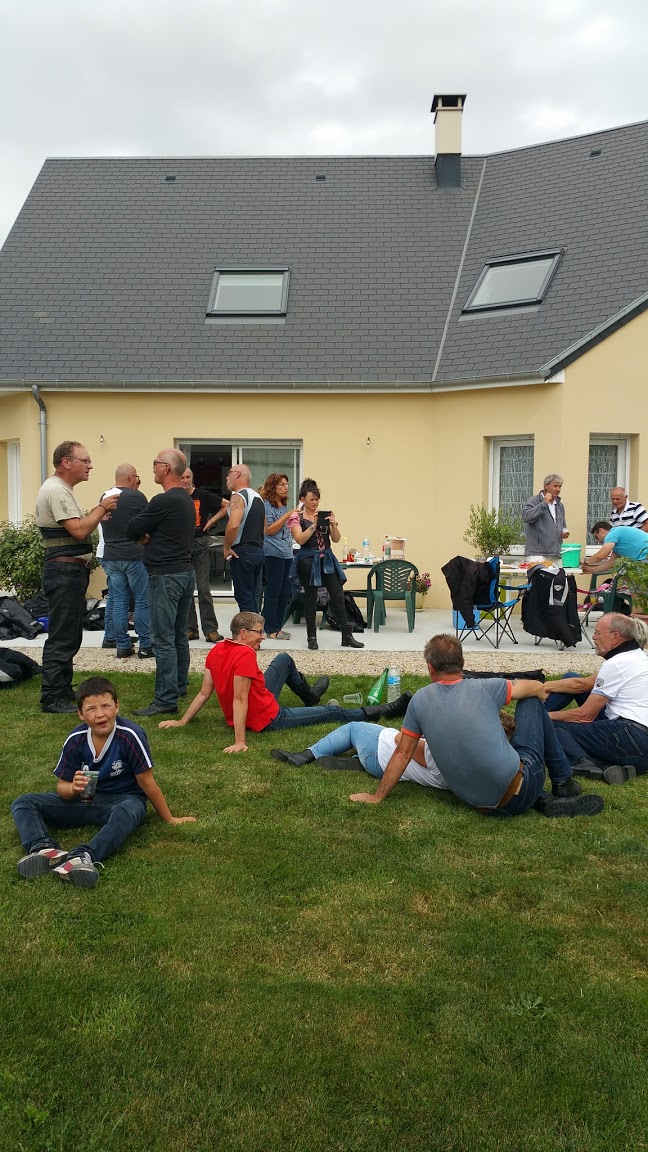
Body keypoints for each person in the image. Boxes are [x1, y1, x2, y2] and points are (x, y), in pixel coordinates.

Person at [349, 634, 603, 819]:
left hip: (480, 806)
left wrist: (377, 796)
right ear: (461, 662)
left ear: (430, 667)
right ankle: (563, 780)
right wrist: (542, 691)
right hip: (521, 789)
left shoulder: (419, 701)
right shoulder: (487, 687)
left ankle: (547, 798)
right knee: (530, 701)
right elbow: (535, 687)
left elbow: (403, 753)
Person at [10, 676, 196, 889]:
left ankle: (83, 857)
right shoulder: (75, 739)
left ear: (116, 706)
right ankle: (43, 850)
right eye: (91, 709)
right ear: (80, 714)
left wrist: (170, 818)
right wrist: (72, 788)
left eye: (106, 706)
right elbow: (62, 788)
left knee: (129, 810)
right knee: (24, 803)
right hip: (84, 800)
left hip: (123, 801)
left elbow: (147, 783)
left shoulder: (131, 735)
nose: (100, 714)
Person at [158, 611, 410, 752]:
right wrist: (239, 741)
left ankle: (310, 694)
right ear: (243, 634)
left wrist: (182, 721)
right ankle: (384, 710)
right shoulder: (245, 654)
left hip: (259, 696)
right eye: (259, 633)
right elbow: (238, 698)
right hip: (268, 717)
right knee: (330, 712)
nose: (263, 638)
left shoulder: (218, 648)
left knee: (283, 658)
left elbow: (204, 693)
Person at [35, 441, 121, 714]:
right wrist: (101, 507)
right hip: (64, 572)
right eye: (84, 460)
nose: (90, 465)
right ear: (66, 462)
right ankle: (52, 696)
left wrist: (97, 514)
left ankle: (62, 688)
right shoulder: (57, 491)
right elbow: (79, 531)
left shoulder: (61, 490)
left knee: (69, 633)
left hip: (68, 571)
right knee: (62, 635)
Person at [126, 449, 196, 716]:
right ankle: (178, 685)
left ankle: (166, 699)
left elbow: (132, 529)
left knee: (162, 638)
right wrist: (152, 535)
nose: (153, 468)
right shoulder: (186, 500)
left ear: (166, 468)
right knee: (178, 635)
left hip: (165, 576)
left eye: (155, 463)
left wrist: (147, 536)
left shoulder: (162, 500)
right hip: (183, 573)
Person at [547, 612, 648, 784]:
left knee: (553, 727)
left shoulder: (616, 663)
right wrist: (542, 687)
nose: (593, 638)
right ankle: (611, 764)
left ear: (615, 637)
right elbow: (581, 685)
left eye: (597, 632)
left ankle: (588, 764)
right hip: (640, 745)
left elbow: (585, 716)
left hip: (628, 738)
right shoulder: (637, 657)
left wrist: (543, 718)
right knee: (572, 680)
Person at [288, 478, 363, 650]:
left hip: (327, 558)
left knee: (337, 595)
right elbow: (299, 539)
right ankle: (311, 637)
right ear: (302, 499)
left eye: (316, 499)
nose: (314, 503)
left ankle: (347, 636)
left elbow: (335, 539)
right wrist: (314, 525)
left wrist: (333, 526)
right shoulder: (296, 517)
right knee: (311, 597)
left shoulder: (324, 515)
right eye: (311, 499)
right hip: (308, 559)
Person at [272, 723, 449, 790]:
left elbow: (401, 742)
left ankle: (306, 755)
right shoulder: (458, 775)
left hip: (379, 753)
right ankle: (356, 762)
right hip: (387, 769)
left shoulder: (437, 753)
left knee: (353, 728)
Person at [100, 463, 152, 659]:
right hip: (134, 555)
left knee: (119, 601)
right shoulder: (136, 497)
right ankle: (146, 644)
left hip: (112, 556)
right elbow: (148, 521)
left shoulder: (104, 497)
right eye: (137, 478)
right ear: (131, 478)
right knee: (141, 600)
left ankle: (122, 645)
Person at [180, 467, 227, 643]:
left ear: (192, 479)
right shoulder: (176, 496)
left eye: (187, 477)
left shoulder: (203, 495)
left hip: (200, 544)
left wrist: (212, 520)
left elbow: (227, 505)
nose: (184, 480)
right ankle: (190, 629)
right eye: (182, 477)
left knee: (203, 589)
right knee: (186, 589)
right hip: (181, 546)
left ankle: (210, 629)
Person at [260, 472, 298, 639]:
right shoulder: (266, 505)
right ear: (273, 487)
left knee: (285, 592)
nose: (285, 488)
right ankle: (271, 629)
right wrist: (286, 516)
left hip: (287, 553)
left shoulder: (283, 505)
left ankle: (276, 626)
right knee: (273, 592)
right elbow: (269, 530)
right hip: (272, 554)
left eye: (286, 484)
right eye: (281, 485)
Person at [223, 464, 265, 612]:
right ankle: (256, 630)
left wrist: (227, 547)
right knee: (253, 595)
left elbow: (233, 524)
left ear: (238, 474)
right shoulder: (257, 497)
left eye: (229, 473)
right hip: (258, 550)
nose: (227, 477)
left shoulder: (238, 496)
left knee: (244, 596)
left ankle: (250, 632)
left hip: (243, 551)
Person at [522, 473, 569, 559]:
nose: (558, 489)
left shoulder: (559, 505)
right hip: (537, 554)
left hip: (555, 553)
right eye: (555, 486)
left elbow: (563, 525)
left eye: (560, 486)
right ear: (546, 486)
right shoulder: (534, 500)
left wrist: (564, 532)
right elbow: (526, 517)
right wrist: (544, 504)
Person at [583, 521, 648, 574]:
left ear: (601, 531)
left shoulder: (613, 533)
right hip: (643, 558)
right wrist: (592, 570)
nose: (598, 541)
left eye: (596, 537)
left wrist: (585, 561)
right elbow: (612, 562)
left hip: (645, 557)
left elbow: (601, 556)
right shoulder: (617, 541)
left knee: (632, 584)